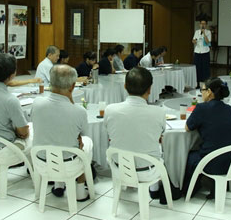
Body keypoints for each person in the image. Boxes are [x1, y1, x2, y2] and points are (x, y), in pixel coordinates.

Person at [31, 64, 93, 201]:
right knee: (85, 143)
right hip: (68, 165)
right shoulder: (79, 111)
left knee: (53, 134)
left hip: (41, 161)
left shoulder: (37, 103)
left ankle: (58, 185)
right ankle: (80, 190)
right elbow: (84, 134)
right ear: (72, 87)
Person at [104, 67, 165, 199]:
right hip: (147, 170)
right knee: (158, 147)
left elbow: (110, 132)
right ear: (149, 89)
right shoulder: (159, 113)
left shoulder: (110, 110)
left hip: (119, 167)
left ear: (125, 86)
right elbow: (159, 136)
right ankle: (154, 188)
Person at [184, 78, 231, 199]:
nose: (201, 93)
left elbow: (187, 127)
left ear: (209, 92)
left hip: (213, 162)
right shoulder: (229, 109)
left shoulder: (202, 108)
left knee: (188, 155)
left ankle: (188, 188)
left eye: (202, 90)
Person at [192, 20, 211, 87]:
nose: (202, 25)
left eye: (204, 24)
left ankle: (205, 84)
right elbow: (193, 40)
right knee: (197, 68)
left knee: (205, 69)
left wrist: (204, 34)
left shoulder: (208, 32)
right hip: (197, 52)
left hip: (205, 52)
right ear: (199, 24)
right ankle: (197, 83)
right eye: (201, 23)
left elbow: (208, 42)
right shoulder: (197, 32)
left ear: (206, 25)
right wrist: (194, 41)